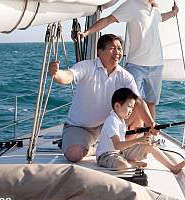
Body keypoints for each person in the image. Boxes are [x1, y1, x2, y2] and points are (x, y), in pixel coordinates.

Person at [79, 0, 177, 122]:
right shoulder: (132, 5)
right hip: (136, 65)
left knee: (151, 103)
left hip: (157, 65)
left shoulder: (154, 8)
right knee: (130, 103)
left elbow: (160, 18)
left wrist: (173, 12)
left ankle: (148, 135)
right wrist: (86, 33)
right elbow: (108, 20)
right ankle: (125, 135)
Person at [49, 33, 156, 162]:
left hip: (111, 125)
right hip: (81, 127)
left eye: (119, 48)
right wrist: (56, 74)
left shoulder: (126, 76)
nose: (117, 52)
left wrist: (151, 124)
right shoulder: (87, 66)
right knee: (74, 154)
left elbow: (138, 101)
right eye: (112, 48)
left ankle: (119, 149)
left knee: (137, 114)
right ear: (100, 51)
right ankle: (95, 149)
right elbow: (68, 76)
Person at [96, 87, 185, 172]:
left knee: (150, 146)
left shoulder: (121, 120)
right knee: (122, 165)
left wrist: (141, 139)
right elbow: (117, 145)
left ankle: (173, 167)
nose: (131, 110)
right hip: (106, 156)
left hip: (120, 153)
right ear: (117, 106)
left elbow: (122, 144)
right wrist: (138, 140)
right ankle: (131, 164)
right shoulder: (112, 121)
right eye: (129, 106)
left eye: (132, 107)